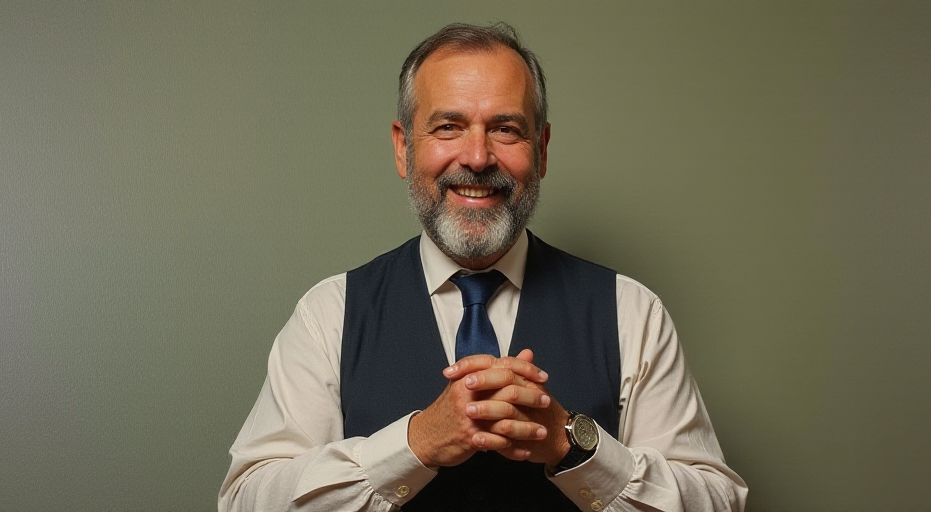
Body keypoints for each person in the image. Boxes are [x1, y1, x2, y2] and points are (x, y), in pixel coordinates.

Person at [219, 22, 747, 512]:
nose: (476, 157)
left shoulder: (631, 311)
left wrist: (571, 444)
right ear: (404, 149)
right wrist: (415, 443)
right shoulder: (329, 314)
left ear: (540, 151)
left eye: (506, 130)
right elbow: (246, 500)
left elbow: (718, 501)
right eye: (448, 126)